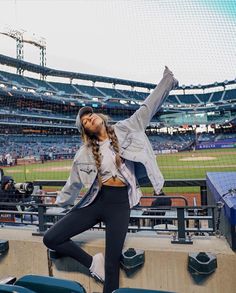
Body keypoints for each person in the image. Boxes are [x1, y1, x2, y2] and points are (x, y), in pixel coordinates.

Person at [43, 66, 178, 293]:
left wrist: (168, 81)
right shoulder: (83, 153)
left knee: (113, 264)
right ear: (86, 131)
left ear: (99, 116)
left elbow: (148, 107)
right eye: (84, 121)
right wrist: (58, 204)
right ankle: (93, 263)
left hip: (119, 204)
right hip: (96, 201)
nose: (89, 118)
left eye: (90, 114)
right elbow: (73, 184)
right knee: (51, 238)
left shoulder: (128, 128)